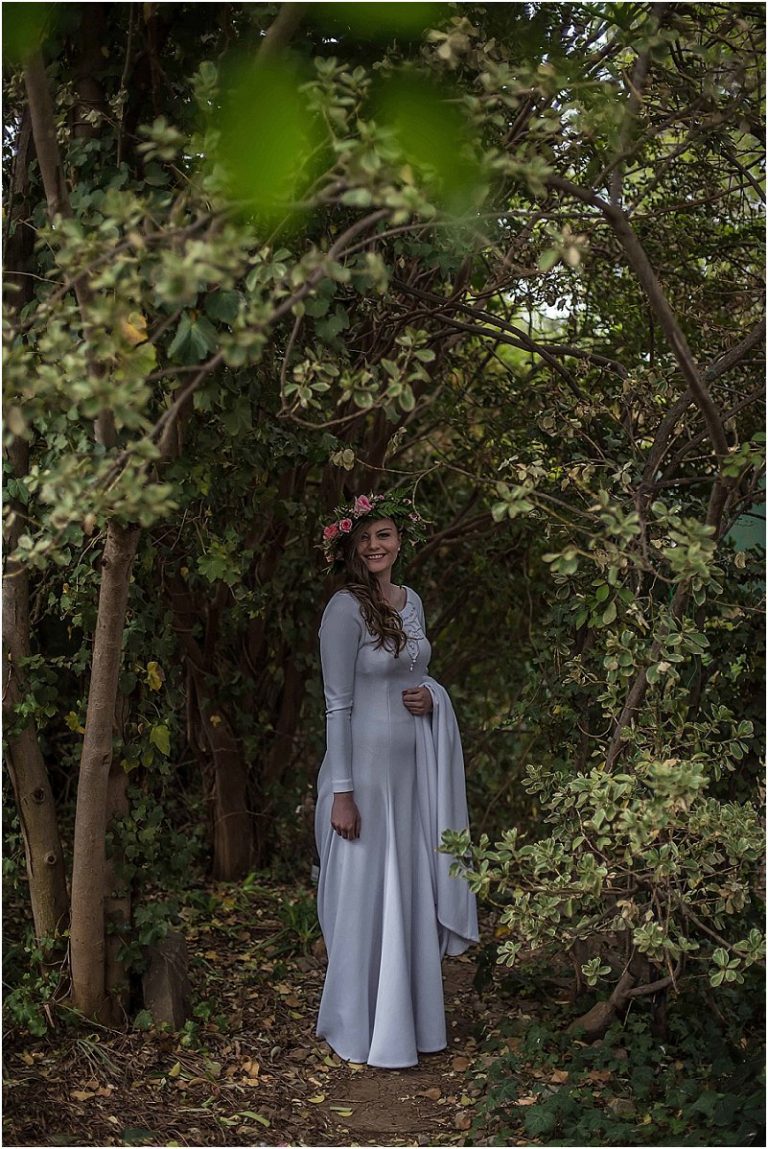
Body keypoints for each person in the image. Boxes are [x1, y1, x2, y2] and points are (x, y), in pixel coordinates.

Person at [313, 490, 478, 1069]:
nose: (374, 545)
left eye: (383, 535)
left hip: (410, 780)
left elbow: (419, 675)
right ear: (350, 548)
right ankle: (358, 1028)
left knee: (406, 891)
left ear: (400, 540)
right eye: (363, 538)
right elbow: (337, 705)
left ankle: (412, 1026)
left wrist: (431, 698)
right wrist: (342, 794)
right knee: (365, 896)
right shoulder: (343, 610)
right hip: (361, 778)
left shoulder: (413, 602)